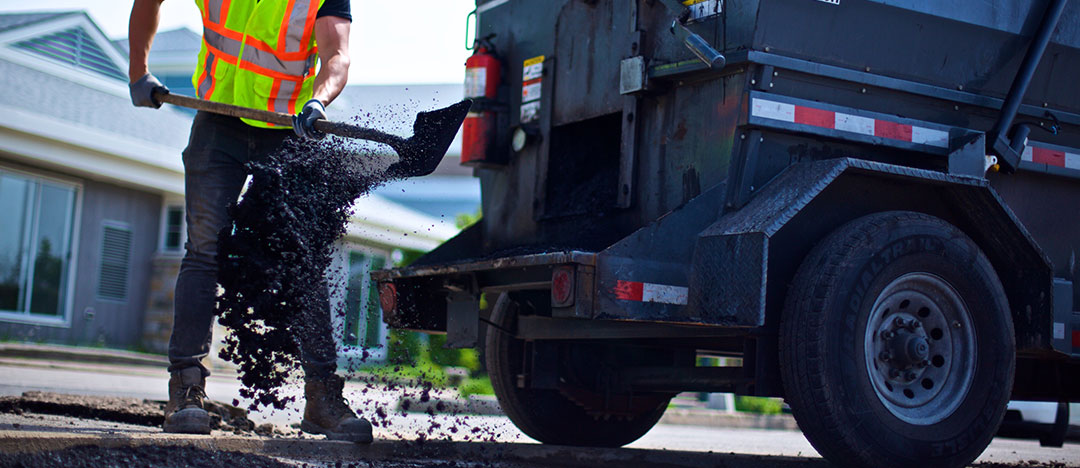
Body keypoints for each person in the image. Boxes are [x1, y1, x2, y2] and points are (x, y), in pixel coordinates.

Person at [127, 0, 372, 443]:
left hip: (287, 129)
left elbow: (338, 53)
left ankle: (322, 399)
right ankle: (185, 388)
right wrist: (137, 71)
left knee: (303, 263)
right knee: (204, 251)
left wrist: (319, 99)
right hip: (217, 123)